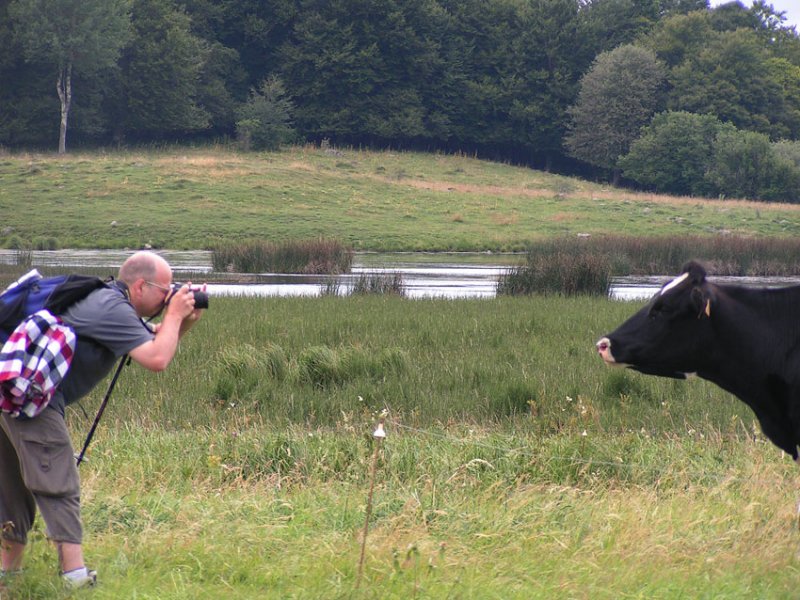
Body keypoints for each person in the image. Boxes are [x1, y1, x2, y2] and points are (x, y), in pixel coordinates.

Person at [0, 251, 204, 588]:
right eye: (165, 289)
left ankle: (9, 572)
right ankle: (75, 577)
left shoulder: (113, 305)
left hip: (14, 387)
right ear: (140, 286)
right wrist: (174, 315)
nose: (169, 296)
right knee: (57, 476)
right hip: (29, 397)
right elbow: (157, 359)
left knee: (12, 484)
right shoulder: (111, 307)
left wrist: (182, 320)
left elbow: (153, 342)